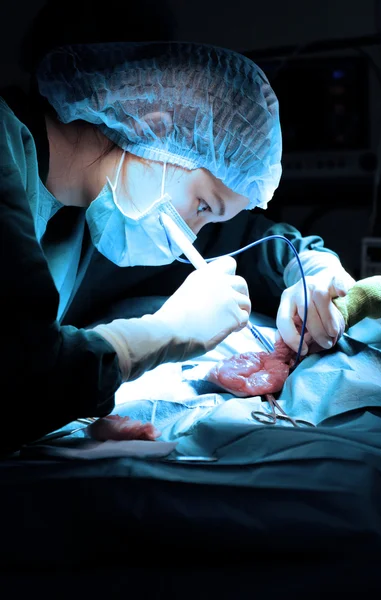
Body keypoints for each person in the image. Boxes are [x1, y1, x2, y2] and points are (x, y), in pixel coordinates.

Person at [0, 39, 355, 454]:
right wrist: (165, 333)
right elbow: (21, 382)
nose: (192, 237)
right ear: (157, 127)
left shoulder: (98, 200)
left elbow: (253, 242)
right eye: (204, 205)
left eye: (211, 218)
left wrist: (314, 272)